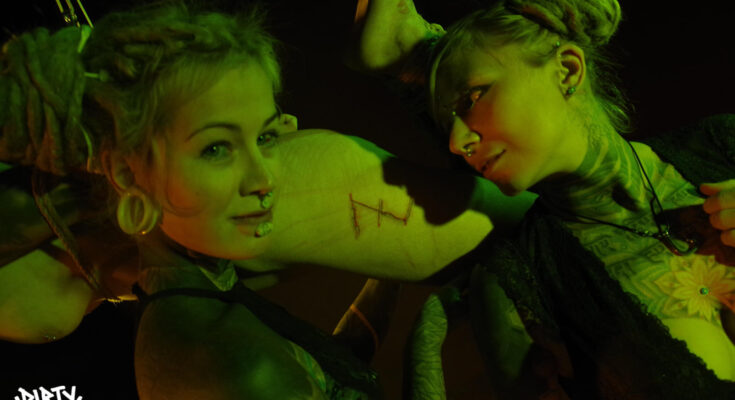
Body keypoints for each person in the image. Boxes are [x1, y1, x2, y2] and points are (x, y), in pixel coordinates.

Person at [1, 1, 535, 398]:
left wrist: (391, 300)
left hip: (150, 228)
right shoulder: (218, 352)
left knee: (526, 228)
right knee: (532, 229)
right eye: (218, 147)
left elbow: (320, 368)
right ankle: (414, 57)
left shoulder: (201, 304)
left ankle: (414, 59)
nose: (262, 177)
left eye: (265, 135)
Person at [351, 0, 735, 398]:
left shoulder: (723, 145)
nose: (457, 142)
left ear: (567, 69)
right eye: (448, 125)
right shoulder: (519, 286)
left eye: (471, 99)